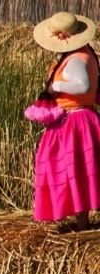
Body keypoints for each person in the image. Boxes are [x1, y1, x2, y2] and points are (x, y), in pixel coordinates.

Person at [31, 12, 100, 232]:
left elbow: (83, 86)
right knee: (82, 169)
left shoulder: (76, 60)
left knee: (74, 169)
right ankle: (83, 221)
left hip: (74, 122)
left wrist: (56, 88)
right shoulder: (86, 53)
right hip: (84, 118)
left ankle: (83, 222)